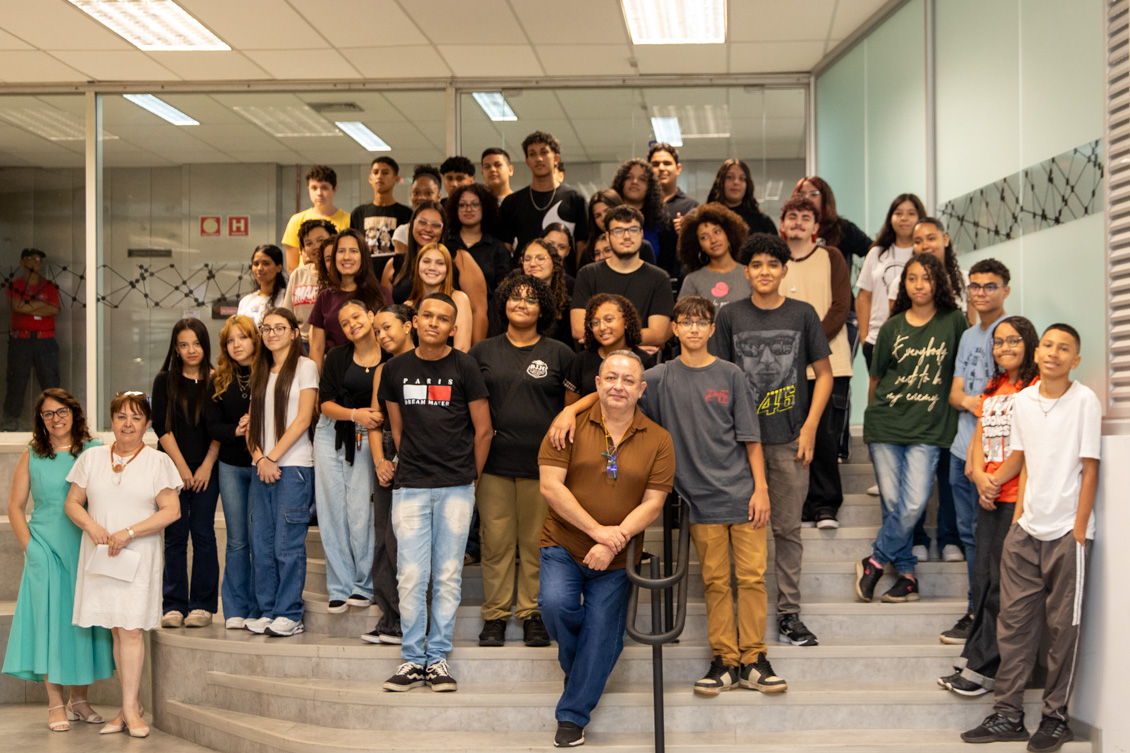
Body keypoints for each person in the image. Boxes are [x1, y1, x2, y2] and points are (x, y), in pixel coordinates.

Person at [960, 323, 1100, 753]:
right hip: (1026, 531)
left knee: (1062, 630)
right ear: (1037, 354)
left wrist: (1078, 532)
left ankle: (1056, 718)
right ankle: (1008, 714)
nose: (1054, 353)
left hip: (1066, 535)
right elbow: (1024, 463)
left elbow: (1089, 468)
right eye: (1049, 346)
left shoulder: (1085, 401)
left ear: (1075, 360)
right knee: (1014, 627)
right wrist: (1018, 520)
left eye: (1065, 349)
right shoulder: (1021, 401)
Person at [638, 296, 786, 696]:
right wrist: (570, 412)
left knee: (752, 579)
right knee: (717, 582)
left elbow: (751, 438)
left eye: (701, 322)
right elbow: (615, 391)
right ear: (674, 328)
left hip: (743, 496)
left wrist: (761, 490)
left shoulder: (731, 374)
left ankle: (754, 659)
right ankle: (724, 661)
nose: (693, 329)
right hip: (700, 501)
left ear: (710, 329)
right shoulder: (660, 377)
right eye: (685, 322)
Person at [537, 350, 675, 748]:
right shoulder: (568, 425)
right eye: (611, 378)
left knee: (602, 632)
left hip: (618, 557)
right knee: (555, 605)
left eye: (628, 380)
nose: (618, 386)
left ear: (641, 389)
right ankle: (581, 670)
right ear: (597, 383)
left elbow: (653, 502)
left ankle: (572, 715)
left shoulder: (659, 439)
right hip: (564, 542)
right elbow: (550, 486)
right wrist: (598, 531)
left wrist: (614, 540)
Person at [713, 233, 832, 648]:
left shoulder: (803, 314)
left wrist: (811, 426)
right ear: (745, 271)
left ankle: (789, 615)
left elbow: (825, 374)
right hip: (738, 442)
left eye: (773, 265)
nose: (765, 272)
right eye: (757, 265)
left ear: (785, 270)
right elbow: (716, 374)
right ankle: (742, 615)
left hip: (788, 440)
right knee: (738, 531)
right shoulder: (729, 315)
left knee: (787, 530)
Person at [378, 293, 492, 693]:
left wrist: (472, 478)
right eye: (427, 315)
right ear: (413, 321)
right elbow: (396, 428)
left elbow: (483, 430)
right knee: (410, 576)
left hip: (457, 486)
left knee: (447, 575)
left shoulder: (465, 366)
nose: (433, 322)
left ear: (452, 328)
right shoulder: (394, 369)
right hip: (410, 486)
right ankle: (412, 659)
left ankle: (438, 657)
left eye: (443, 318)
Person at [65, 390, 182, 738]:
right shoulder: (92, 458)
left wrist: (130, 532)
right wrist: (93, 527)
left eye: (136, 418)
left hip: (137, 557)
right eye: (121, 417)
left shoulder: (158, 461)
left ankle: (130, 709)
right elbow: (73, 503)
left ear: (146, 424)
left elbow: (171, 510)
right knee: (116, 629)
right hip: (102, 556)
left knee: (130, 629)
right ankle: (130, 706)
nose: (128, 424)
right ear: (111, 421)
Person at [855, 253, 968, 604]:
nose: (919, 285)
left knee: (914, 502)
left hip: (930, 429)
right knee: (893, 505)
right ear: (903, 284)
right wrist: (873, 417)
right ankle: (907, 575)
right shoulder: (891, 326)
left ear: (939, 283)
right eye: (912, 278)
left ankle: (874, 561)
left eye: (927, 278)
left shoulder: (954, 322)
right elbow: (876, 379)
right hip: (886, 425)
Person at [936, 316, 1038, 696]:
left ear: (1028, 343)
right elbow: (979, 434)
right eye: (998, 342)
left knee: (1000, 588)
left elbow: (1025, 446)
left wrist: (995, 481)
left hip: (1015, 501)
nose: (1004, 348)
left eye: (1013, 341)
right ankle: (974, 658)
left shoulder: (1034, 388)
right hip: (989, 496)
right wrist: (979, 475)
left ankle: (984, 672)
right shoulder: (995, 385)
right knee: (982, 583)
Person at [470, 275, 573, 648]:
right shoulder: (482, 352)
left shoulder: (560, 353)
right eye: (515, 297)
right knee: (495, 543)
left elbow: (570, 411)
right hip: (493, 465)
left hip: (544, 467)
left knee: (535, 544)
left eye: (531, 299)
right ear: (504, 304)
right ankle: (495, 616)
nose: (522, 304)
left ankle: (532, 614)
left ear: (542, 309)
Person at [3, 389, 112, 732]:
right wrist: (30, 547)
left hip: (84, 548)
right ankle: (54, 702)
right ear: (41, 420)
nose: (56, 418)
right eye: (48, 414)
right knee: (50, 625)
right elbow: (15, 507)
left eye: (61, 411)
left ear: (74, 413)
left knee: (83, 624)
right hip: (46, 549)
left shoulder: (95, 451)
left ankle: (78, 699)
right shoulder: (33, 455)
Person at [940, 258, 1012, 643]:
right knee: (969, 536)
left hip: (993, 457)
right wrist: (976, 402)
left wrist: (976, 402)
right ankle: (973, 609)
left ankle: (989, 614)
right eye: (976, 286)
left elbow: (1004, 399)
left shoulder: (1010, 333)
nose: (981, 292)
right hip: (960, 450)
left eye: (990, 286)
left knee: (990, 540)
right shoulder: (969, 335)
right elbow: (955, 395)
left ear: (1006, 290)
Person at [776, 196, 852, 530]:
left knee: (824, 437)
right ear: (782, 225)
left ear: (815, 227)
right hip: (782, 368)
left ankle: (825, 505)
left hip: (831, 366)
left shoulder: (830, 256)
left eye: (806, 217)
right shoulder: (775, 262)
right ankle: (801, 504)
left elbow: (840, 306)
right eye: (792, 216)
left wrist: (808, 345)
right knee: (790, 439)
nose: (798, 222)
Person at [244, 308, 318, 638]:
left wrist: (272, 457)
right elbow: (251, 425)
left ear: (293, 332)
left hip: (294, 467)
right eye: (267, 328)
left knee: (287, 546)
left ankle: (290, 613)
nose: (272, 333)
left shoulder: (306, 367)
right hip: (262, 466)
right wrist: (260, 458)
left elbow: (303, 419)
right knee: (261, 545)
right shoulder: (260, 370)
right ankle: (268, 609)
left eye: (280, 328)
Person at [909, 216, 975, 563]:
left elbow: (975, 333)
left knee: (951, 474)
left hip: (955, 391)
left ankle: (951, 538)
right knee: (916, 477)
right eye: (917, 241)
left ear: (945, 239)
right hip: (917, 394)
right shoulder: (907, 282)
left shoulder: (965, 282)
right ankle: (917, 537)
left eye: (931, 238)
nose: (924, 245)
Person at [152, 318, 221, 629]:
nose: (190, 350)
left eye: (196, 343)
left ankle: (202, 606)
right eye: (183, 344)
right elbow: (161, 427)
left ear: (205, 345)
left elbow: (220, 429)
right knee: (175, 536)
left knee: (204, 534)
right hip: (171, 469)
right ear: (175, 349)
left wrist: (205, 465)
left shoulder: (219, 379)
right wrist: (180, 468)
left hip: (209, 468)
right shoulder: (165, 380)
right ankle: (174, 605)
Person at [315, 299, 382, 613]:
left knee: (360, 512)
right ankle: (339, 587)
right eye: (344, 322)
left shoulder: (390, 354)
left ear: (371, 315)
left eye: (356, 315)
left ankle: (363, 585)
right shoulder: (337, 356)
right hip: (332, 431)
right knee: (331, 511)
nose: (352, 324)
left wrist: (363, 419)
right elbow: (324, 403)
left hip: (369, 437)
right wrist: (355, 414)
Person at [361, 304, 416, 645]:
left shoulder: (430, 363)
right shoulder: (384, 368)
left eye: (386, 328)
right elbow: (373, 419)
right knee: (383, 537)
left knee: (405, 541)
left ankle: (407, 618)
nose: (381, 335)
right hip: (388, 454)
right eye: (377, 331)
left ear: (408, 326)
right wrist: (381, 461)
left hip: (418, 456)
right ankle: (389, 615)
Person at [205, 315, 261, 629]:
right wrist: (236, 430)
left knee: (258, 539)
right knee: (237, 540)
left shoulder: (267, 373)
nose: (237, 345)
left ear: (255, 339)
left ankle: (257, 607)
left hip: (263, 464)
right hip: (231, 467)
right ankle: (235, 609)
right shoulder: (218, 378)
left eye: (242, 337)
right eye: (230, 340)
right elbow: (212, 426)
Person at [386, 200, 489, 344]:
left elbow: (479, 311)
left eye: (436, 225)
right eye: (422, 222)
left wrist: (477, 357)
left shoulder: (459, 259)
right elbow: (387, 315)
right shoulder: (395, 264)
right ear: (411, 224)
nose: (428, 229)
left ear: (443, 230)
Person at [570, 206, 674, 349]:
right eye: (618, 231)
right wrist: (631, 343)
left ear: (641, 233)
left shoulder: (659, 278)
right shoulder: (587, 274)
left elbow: (657, 334)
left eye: (633, 230)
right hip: (596, 362)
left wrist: (604, 338)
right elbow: (578, 330)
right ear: (608, 236)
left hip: (642, 364)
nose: (626, 236)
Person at [856, 195, 925, 367]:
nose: (904, 218)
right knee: (878, 392)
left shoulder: (925, 255)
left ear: (919, 218)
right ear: (890, 218)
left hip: (916, 339)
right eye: (898, 213)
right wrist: (864, 338)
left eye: (911, 213)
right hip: (877, 338)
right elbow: (864, 297)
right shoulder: (877, 253)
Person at [309, 228, 389, 368]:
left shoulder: (381, 293)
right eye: (341, 251)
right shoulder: (325, 297)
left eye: (353, 251)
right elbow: (316, 349)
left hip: (375, 371)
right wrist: (314, 385)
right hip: (336, 374)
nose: (346, 257)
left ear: (363, 256)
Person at [499, 131, 588, 253]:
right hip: (522, 271)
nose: (539, 159)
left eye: (544, 152)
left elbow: (581, 245)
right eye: (532, 154)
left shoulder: (575, 199)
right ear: (527, 161)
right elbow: (505, 247)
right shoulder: (512, 202)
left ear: (556, 158)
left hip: (565, 271)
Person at [3, 248, 60, 431]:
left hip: (45, 340)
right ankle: (9, 426)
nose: (35, 262)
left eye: (38, 259)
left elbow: (54, 309)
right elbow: (17, 306)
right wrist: (41, 306)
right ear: (22, 262)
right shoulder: (15, 285)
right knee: (16, 382)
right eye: (31, 258)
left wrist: (29, 307)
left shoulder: (49, 286)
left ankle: (55, 425)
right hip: (21, 340)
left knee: (50, 384)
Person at [564, 294, 656, 404]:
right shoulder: (582, 359)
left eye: (609, 319)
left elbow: (649, 405)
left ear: (626, 322)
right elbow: (569, 407)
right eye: (596, 323)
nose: (602, 327)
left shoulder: (644, 360)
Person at [676, 202, 751, 313]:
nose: (713, 240)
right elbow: (684, 320)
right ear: (698, 245)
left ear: (728, 233)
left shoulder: (750, 274)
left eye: (717, 232)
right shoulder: (692, 280)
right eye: (704, 237)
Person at [446, 182, 512, 303]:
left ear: (485, 207)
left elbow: (504, 289)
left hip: (488, 313)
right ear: (456, 209)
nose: (468, 209)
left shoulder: (497, 248)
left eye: (475, 204)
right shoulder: (446, 245)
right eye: (462, 205)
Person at [792, 176, 872, 273]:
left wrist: (866, 283)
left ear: (825, 198)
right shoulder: (792, 229)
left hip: (837, 287)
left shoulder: (843, 228)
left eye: (813, 194)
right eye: (801, 194)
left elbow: (873, 250)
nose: (807, 198)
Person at [350, 156, 413, 277]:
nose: (379, 176)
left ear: (396, 179)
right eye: (375, 172)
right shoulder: (359, 213)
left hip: (394, 276)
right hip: (364, 277)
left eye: (385, 173)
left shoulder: (406, 213)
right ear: (370, 178)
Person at [405, 243, 473, 352]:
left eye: (440, 263)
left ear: (447, 269)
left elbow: (462, 349)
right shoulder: (408, 305)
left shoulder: (459, 299)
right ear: (418, 265)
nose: (432, 268)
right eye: (426, 261)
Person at [282, 165, 351, 272]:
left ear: (334, 189)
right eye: (314, 188)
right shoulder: (296, 220)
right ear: (308, 189)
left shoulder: (349, 220)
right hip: (305, 282)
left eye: (324, 188)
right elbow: (292, 266)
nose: (319, 193)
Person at [283, 219, 337, 346]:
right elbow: (287, 315)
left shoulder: (341, 275)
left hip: (331, 344)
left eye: (321, 240)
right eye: (308, 243)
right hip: (300, 344)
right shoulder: (298, 274)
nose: (316, 246)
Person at [649, 143, 699, 277]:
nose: (661, 168)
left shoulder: (692, 207)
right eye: (655, 164)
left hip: (681, 280)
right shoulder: (642, 207)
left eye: (667, 163)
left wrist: (687, 232)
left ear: (678, 168)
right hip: (646, 281)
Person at [579, 190, 657, 269]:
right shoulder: (588, 251)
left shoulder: (642, 246)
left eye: (607, 211)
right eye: (598, 215)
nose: (603, 218)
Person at [516, 238, 574, 347]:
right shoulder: (512, 299)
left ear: (555, 264)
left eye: (540, 258)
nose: (532, 264)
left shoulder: (566, 303)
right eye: (527, 259)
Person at [611, 157, 666, 265]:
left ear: (650, 187)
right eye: (629, 177)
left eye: (642, 179)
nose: (634, 182)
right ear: (621, 182)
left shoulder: (660, 220)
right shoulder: (609, 217)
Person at [707, 160, 776, 236]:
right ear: (720, 182)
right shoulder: (707, 218)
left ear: (747, 185)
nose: (736, 182)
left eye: (742, 178)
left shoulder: (762, 222)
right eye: (730, 177)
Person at [391, 164, 443, 255]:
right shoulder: (403, 232)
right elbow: (402, 266)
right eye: (416, 193)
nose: (421, 197)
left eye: (428, 193)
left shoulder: (448, 230)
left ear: (439, 196)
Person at [237, 244, 287, 326]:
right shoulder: (246, 301)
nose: (260, 268)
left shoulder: (286, 298)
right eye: (256, 264)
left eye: (266, 263)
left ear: (279, 267)